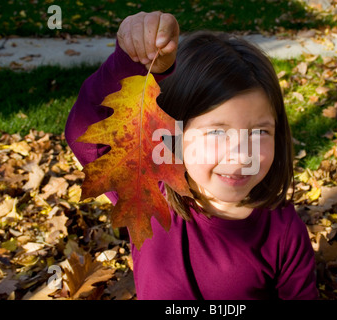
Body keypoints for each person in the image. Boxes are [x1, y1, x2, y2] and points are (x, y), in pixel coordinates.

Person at [65, 11, 318, 300]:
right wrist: (132, 64)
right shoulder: (149, 193)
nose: (241, 156)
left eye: (259, 132)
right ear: (172, 135)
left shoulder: (283, 232)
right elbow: (83, 131)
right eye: (216, 132)